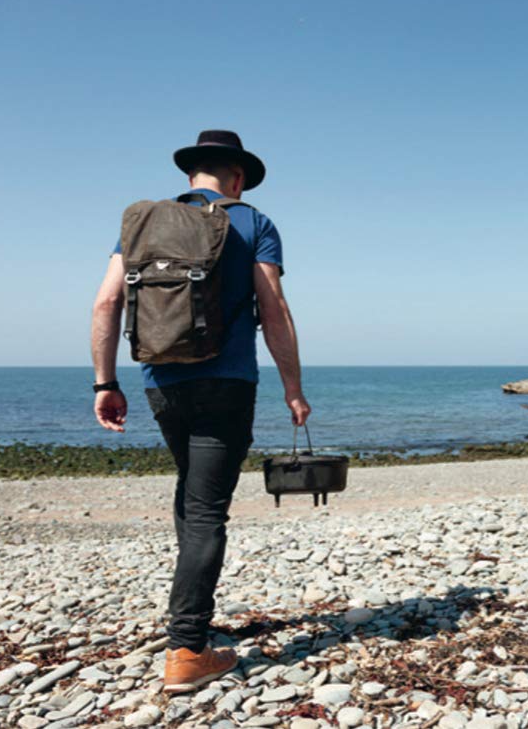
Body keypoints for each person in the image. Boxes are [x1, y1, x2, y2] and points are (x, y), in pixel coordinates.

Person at [89, 130, 311, 694]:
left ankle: (189, 621)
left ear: (191, 176)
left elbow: (107, 301)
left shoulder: (144, 223)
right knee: (208, 509)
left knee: (192, 492)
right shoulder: (254, 223)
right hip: (227, 382)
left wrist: (105, 382)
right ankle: (187, 648)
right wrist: (293, 388)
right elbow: (274, 310)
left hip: (161, 383)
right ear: (238, 178)